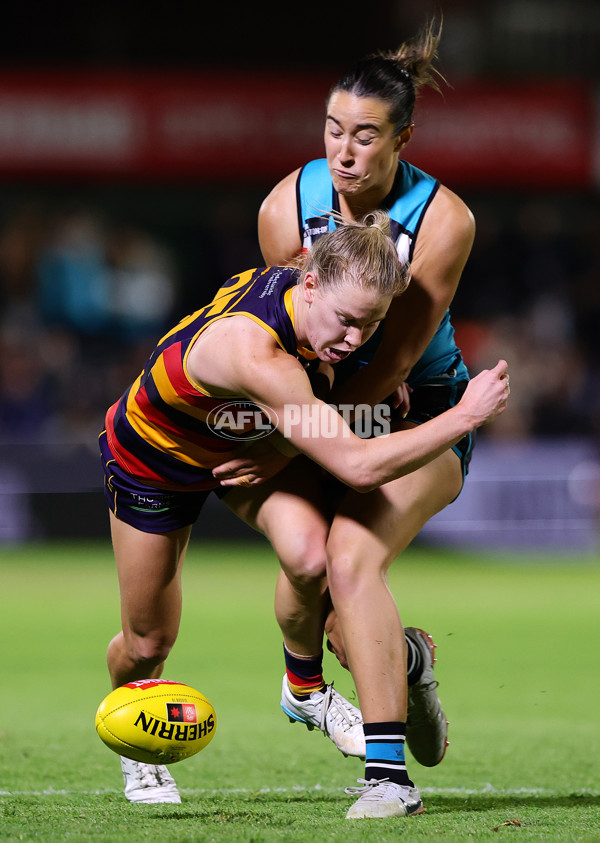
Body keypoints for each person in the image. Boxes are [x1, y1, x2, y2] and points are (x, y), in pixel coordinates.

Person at [99, 212, 509, 811]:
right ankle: (137, 749)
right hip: (156, 457)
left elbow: (329, 370)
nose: (352, 339)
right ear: (309, 285)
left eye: (370, 326)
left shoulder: (316, 303)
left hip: (247, 449)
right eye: (345, 321)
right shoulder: (254, 351)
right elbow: (359, 466)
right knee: (146, 642)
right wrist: (465, 416)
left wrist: (355, 374)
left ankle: (305, 689)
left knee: (314, 559)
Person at [213, 19, 488, 819]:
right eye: (333, 129)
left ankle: (388, 780)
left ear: (404, 136)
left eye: (366, 135)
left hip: (421, 415)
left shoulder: (444, 220)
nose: (345, 150)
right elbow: (280, 333)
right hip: (328, 407)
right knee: (316, 582)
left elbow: (396, 359)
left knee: (350, 555)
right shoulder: (283, 206)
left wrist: (282, 442)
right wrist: (275, 425)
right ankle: (398, 662)